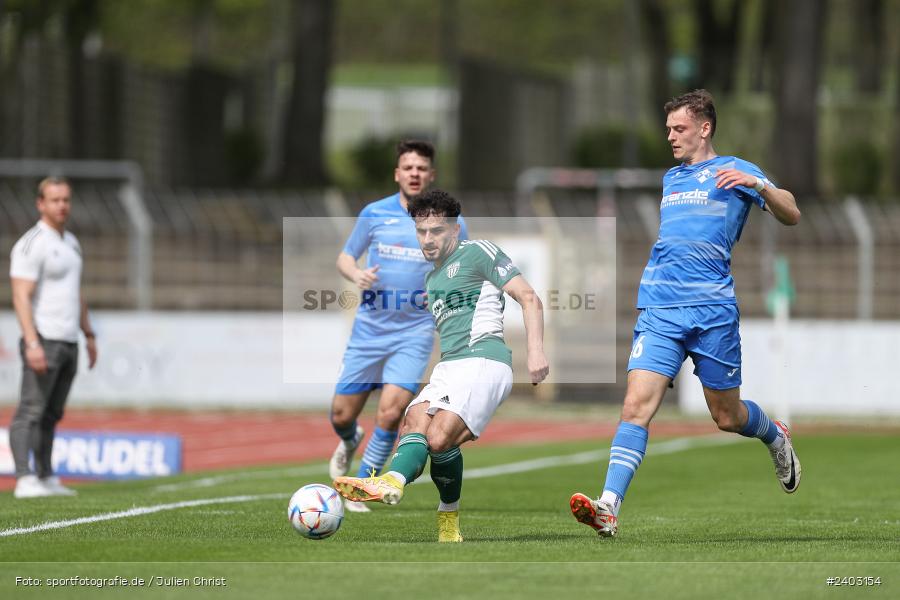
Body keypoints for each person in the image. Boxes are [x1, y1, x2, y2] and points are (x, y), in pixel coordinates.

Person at [570, 89, 803, 537]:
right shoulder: (671, 179)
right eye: (668, 130)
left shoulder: (736, 170)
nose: (671, 137)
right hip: (659, 308)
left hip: (712, 310)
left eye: (678, 129)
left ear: (704, 127)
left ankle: (774, 434)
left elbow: (791, 214)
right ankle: (609, 506)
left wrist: (758, 185)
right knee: (635, 406)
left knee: (727, 416)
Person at [333, 189, 549, 542]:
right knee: (414, 422)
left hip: (484, 361)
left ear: (453, 231)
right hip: (450, 368)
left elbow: (528, 297)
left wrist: (536, 351)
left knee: (439, 437)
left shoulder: (478, 252)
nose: (428, 239)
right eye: (421, 232)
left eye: (436, 231)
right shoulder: (432, 280)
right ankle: (446, 521)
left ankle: (390, 481)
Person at [328, 140, 468, 513]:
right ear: (397, 174)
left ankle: (367, 481)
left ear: (431, 175)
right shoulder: (374, 214)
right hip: (370, 331)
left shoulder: (452, 222)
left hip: (415, 332)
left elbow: (462, 268)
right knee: (341, 414)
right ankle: (348, 438)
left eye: (421, 168)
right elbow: (344, 256)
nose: (414, 173)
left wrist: (441, 289)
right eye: (408, 167)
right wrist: (356, 273)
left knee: (391, 412)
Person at [9, 176, 98, 498]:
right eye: (55, 200)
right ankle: (23, 477)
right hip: (44, 338)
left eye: (66, 200)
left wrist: (88, 334)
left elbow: (77, 292)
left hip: (69, 340)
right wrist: (32, 342)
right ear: (40, 204)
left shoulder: (71, 242)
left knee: (51, 413)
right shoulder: (33, 243)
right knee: (30, 410)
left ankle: (46, 476)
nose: (62, 206)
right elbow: (20, 295)